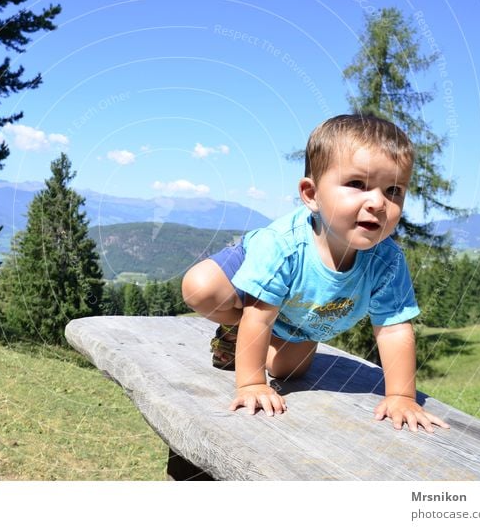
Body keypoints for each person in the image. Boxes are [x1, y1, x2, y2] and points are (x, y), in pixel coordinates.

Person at [181, 114, 449, 433]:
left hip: (298, 318)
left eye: (394, 190)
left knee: (287, 371)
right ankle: (234, 331)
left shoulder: (387, 261)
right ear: (311, 195)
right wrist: (251, 384)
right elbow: (260, 315)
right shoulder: (282, 247)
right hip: (258, 288)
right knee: (201, 288)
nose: (378, 202)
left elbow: (393, 330)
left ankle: (257, 341)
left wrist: (402, 396)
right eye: (357, 184)